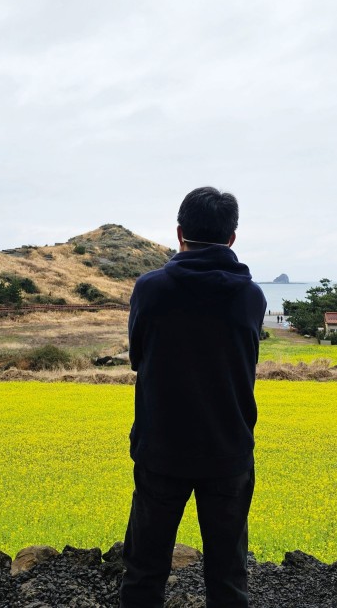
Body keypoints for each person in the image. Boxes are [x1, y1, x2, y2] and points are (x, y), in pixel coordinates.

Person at [119, 186, 267, 608]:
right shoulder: (251, 296)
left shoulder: (151, 289)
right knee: (228, 574)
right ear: (232, 238)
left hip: (160, 448)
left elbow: (137, 356)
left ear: (179, 233)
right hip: (229, 448)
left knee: (145, 567)